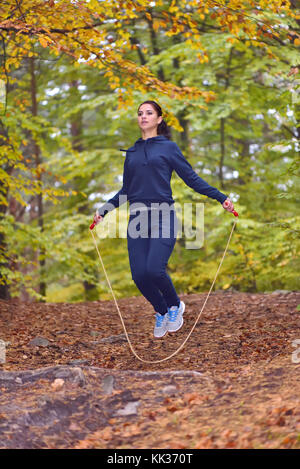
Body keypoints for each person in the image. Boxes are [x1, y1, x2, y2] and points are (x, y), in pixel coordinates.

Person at [92, 100, 235, 338]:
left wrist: (221, 197)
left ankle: (175, 305)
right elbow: (126, 190)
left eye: (149, 113)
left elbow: (192, 179)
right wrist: (104, 210)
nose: (143, 116)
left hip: (163, 215)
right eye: (140, 113)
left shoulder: (168, 148)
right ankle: (160, 311)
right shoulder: (132, 152)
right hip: (137, 218)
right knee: (139, 275)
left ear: (159, 119)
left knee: (154, 269)